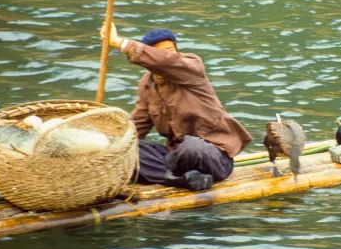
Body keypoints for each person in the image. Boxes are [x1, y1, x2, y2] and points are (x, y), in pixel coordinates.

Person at [100, 22, 253, 191]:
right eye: (159, 52)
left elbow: (168, 62)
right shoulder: (147, 84)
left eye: (170, 51)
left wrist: (120, 43)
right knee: (128, 149)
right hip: (176, 157)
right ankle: (175, 179)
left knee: (191, 147)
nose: (166, 56)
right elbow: (137, 127)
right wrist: (109, 148)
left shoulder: (192, 66)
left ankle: (169, 175)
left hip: (212, 155)